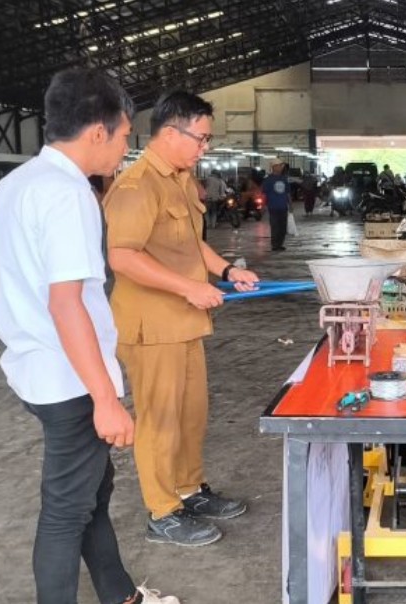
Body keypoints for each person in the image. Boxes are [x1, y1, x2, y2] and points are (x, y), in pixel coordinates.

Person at [0, 68, 178, 604]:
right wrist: (105, 400)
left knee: (92, 490)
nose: (124, 149)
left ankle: (121, 595)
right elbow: (66, 303)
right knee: (66, 510)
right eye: (124, 136)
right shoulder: (68, 194)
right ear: (98, 131)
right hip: (70, 377)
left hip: (36, 367)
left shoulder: (16, 183)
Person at [103, 90, 260, 547]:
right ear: (171, 133)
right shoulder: (136, 186)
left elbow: (192, 245)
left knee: (191, 414)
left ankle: (190, 490)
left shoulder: (180, 180)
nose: (205, 148)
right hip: (152, 327)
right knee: (160, 420)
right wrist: (189, 287)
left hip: (185, 321)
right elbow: (123, 257)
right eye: (201, 138)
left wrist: (227, 271)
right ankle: (162, 511)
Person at [262, 160, 291, 250]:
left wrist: (290, 204)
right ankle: (275, 245)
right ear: (274, 167)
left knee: (283, 227)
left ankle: (280, 244)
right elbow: (264, 194)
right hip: (273, 207)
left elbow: (288, 193)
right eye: (279, 166)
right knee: (275, 226)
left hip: (283, 207)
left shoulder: (284, 179)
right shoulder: (268, 180)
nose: (281, 168)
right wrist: (263, 206)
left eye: (281, 166)